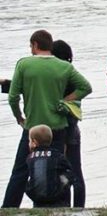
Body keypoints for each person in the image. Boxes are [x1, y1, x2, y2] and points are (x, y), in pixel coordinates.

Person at [3, 30, 92, 208]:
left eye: (31, 46)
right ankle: (63, 206)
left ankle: (9, 208)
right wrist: (65, 100)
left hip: (32, 127)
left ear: (35, 45)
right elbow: (85, 87)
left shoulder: (24, 64)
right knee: (59, 168)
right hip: (57, 128)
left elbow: (13, 97)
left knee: (20, 171)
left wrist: (19, 117)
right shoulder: (64, 67)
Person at [51, 39, 86, 208]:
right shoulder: (72, 74)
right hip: (73, 128)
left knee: (62, 172)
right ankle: (79, 207)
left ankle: (64, 205)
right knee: (76, 171)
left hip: (62, 129)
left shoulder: (58, 75)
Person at [25, 124, 74, 208]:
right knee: (67, 176)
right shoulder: (57, 155)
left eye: (29, 141)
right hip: (56, 198)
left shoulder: (29, 158)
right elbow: (70, 171)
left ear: (34, 142)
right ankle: (64, 204)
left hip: (36, 198)